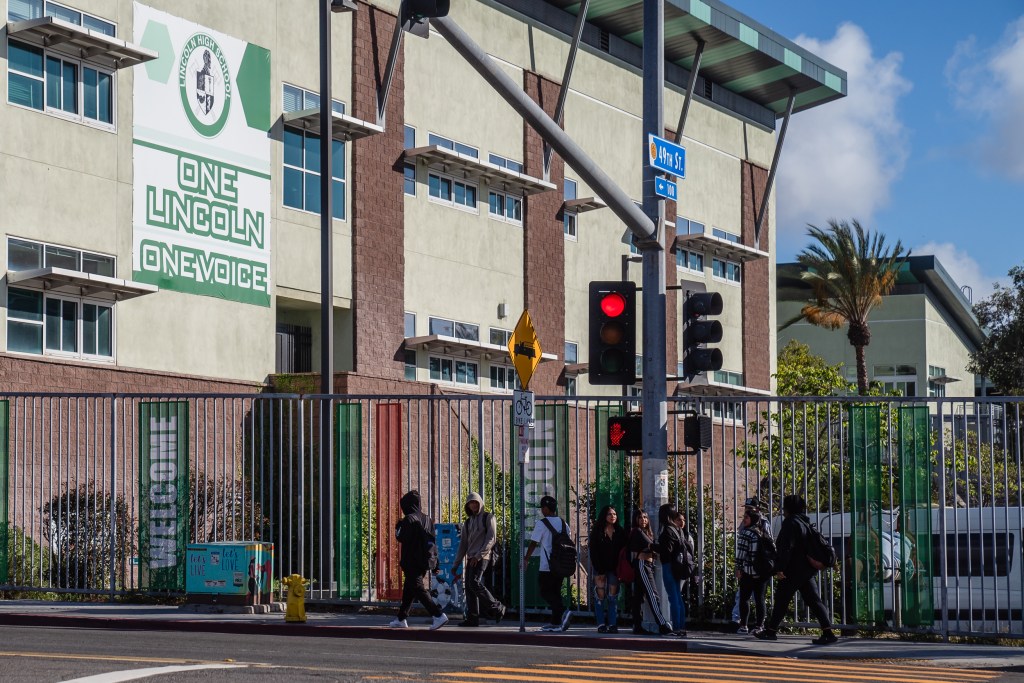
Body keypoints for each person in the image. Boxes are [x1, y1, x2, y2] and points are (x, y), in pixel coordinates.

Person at [755, 494, 837, 645]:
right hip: (806, 571)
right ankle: (828, 632)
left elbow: (786, 549)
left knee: (781, 600)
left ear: (788, 508)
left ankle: (771, 631)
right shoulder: (804, 522)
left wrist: (780, 568)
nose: (783, 510)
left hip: (792, 570)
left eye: (784, 507)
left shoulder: (790, 523)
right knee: (814, 601)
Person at [390, 490, 448, 630]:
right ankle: (401, 618)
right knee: (409, 589)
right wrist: (436, 563)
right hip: (424, 561)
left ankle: (438, 615)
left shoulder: (409, 519)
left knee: (418, 589)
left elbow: (401, 537)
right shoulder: (427, 519)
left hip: (411, 560)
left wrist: (399, 527)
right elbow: (432, 542)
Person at [451, 492, 505, 626]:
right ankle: (472, 618)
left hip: (482, 556)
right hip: (471, 557)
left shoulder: (488, 517)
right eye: (471, 503)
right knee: (469, 587)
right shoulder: (468, 522)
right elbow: (463, 544)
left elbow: (491, 539)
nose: (474, 505)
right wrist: (456, 563)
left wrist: (479, 555)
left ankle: (497, 607)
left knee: (474, 583)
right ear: (468, 506)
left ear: (480, 503)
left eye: (476, 502)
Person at [523, 495, 572, 632]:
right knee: (555, 592)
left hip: (547, 565)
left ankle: (563, 612)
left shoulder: (541, 523)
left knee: (544, 591)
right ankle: (556, 622)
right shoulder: (563, 523)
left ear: (546, 508)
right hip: (561, 565)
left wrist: (526, 558)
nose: (541, 511)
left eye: (542, 508)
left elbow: (534, 542)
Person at [628, 508, 673, 636]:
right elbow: (653, 546)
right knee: (653, 595)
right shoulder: (637, 532)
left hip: (646, 564)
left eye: (645, 517)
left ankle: (637, 626)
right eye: (640, 517)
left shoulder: (645, 532)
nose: (644, 520)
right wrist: (666, 548)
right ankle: (662, 625)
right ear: (636, 520)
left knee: (638, 597)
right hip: (643, 565)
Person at [729, 497, 771, 631]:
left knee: (749, 598)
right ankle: (753, 624)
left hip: (750, 568)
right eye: (746, 509)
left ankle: (746, 625)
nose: (746, 512)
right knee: (753, 598)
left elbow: (741, 550)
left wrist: (738, 567)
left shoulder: (762, 524)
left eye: (750, 510)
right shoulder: (754, 526)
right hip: (761, 569)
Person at [589, 505, 627, 633]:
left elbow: (623, 551)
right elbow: (593, 551)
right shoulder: (597, 532)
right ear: (604, 516)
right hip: (600, 568)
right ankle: (600, 624)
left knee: (612, 597)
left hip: (614, 569)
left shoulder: (620, 531)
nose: (613, 516)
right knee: (599, 597)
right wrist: (598, 568)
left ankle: (612, 624)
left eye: (615, 514)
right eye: (610, 514)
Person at [658, 508, 693, 636]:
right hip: (679, 566)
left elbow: (667, 550)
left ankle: (677, 627)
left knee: (673, 598)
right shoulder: (678, 530)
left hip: (669, 565)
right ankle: (681, 626)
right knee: (678, 596)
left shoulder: (667, 530)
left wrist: (653, 546)